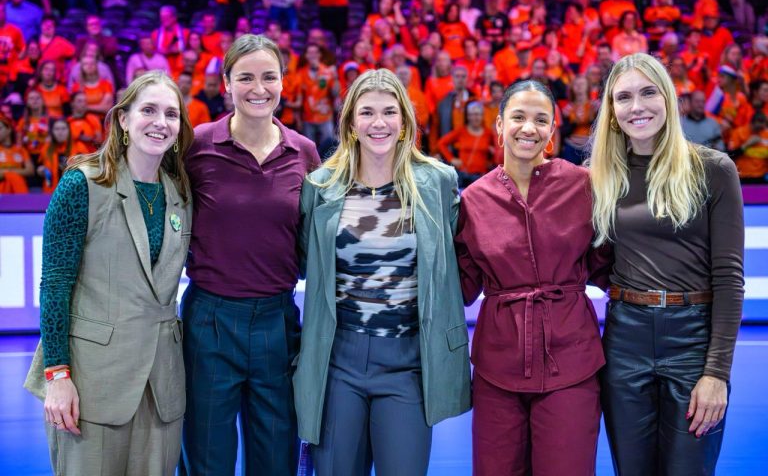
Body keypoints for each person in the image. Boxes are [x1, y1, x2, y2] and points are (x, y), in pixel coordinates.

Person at [294, 68, 471, 476]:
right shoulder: (320, 187)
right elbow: (306, 260)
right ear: (351, 125)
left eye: (389, 112)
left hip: (408, 363)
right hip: (338, 362)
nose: (379, 123)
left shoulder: (438, 182)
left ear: (405, 122)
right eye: (368, 113)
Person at [23, 71, 195, 475]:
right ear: (123, 119)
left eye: (171, 114)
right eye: (148, 110)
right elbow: (55, 286)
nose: (160, 122)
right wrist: (58, 376)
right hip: (91, 382)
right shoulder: (82, 184)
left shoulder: (182, 192)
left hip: (162, 386)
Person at [590, 53, 744, 476]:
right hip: (625, 342)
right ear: (612, 112)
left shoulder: (713, 169)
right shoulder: (600, 175)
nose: (636, 106)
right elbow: (589, 258)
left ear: (669, 98)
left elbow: (729, 280)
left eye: (648, 92)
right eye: (623, 97)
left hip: (693, 344)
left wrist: (716, 373)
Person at [454, 80, 611, 475]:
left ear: (553, 130)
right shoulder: (473, 199)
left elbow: (608, 264)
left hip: (572, 358)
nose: (529, 128)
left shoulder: (583, 186)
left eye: (541, 120)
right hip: (498, 363)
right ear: (499, 125)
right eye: (518, 117)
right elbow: (462, 285)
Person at [181, 34, 320, 476]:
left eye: (268, 77)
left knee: (277, 458)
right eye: (245, 77)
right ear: (226, 83)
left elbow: (312, 237)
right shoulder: (197, 146)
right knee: (207, 457)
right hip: (210, 320)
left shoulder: (304, 152)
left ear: (283, 83)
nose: (258, 88)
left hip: (277, 321)